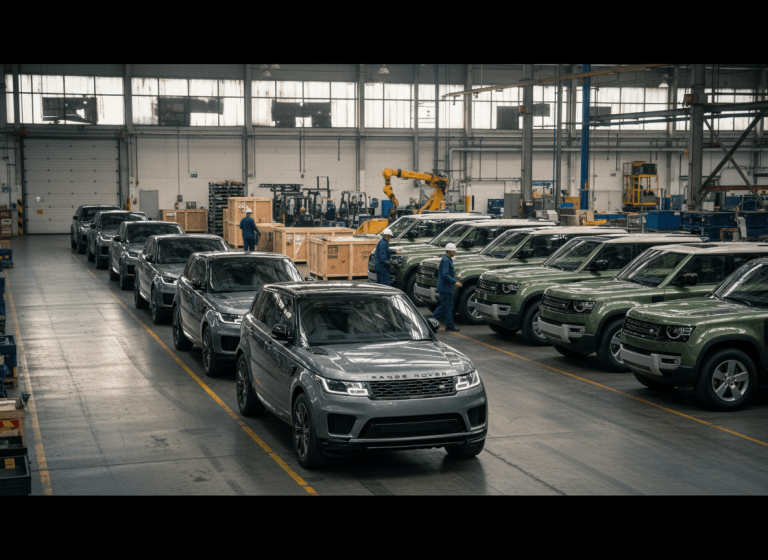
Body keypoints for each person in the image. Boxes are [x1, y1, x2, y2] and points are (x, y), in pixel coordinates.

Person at [431, 243, 462, 332]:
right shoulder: (446, 260)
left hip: (446, 287)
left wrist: (455, 278)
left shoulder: (448, 259)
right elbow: (445, 275)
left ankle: (449, 326)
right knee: (444, 306)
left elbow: (447, 274)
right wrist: (455, 281)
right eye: (454, 251)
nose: (455, 252)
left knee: (448, 307)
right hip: (445, 288)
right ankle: (431, 322)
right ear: (450, 251)